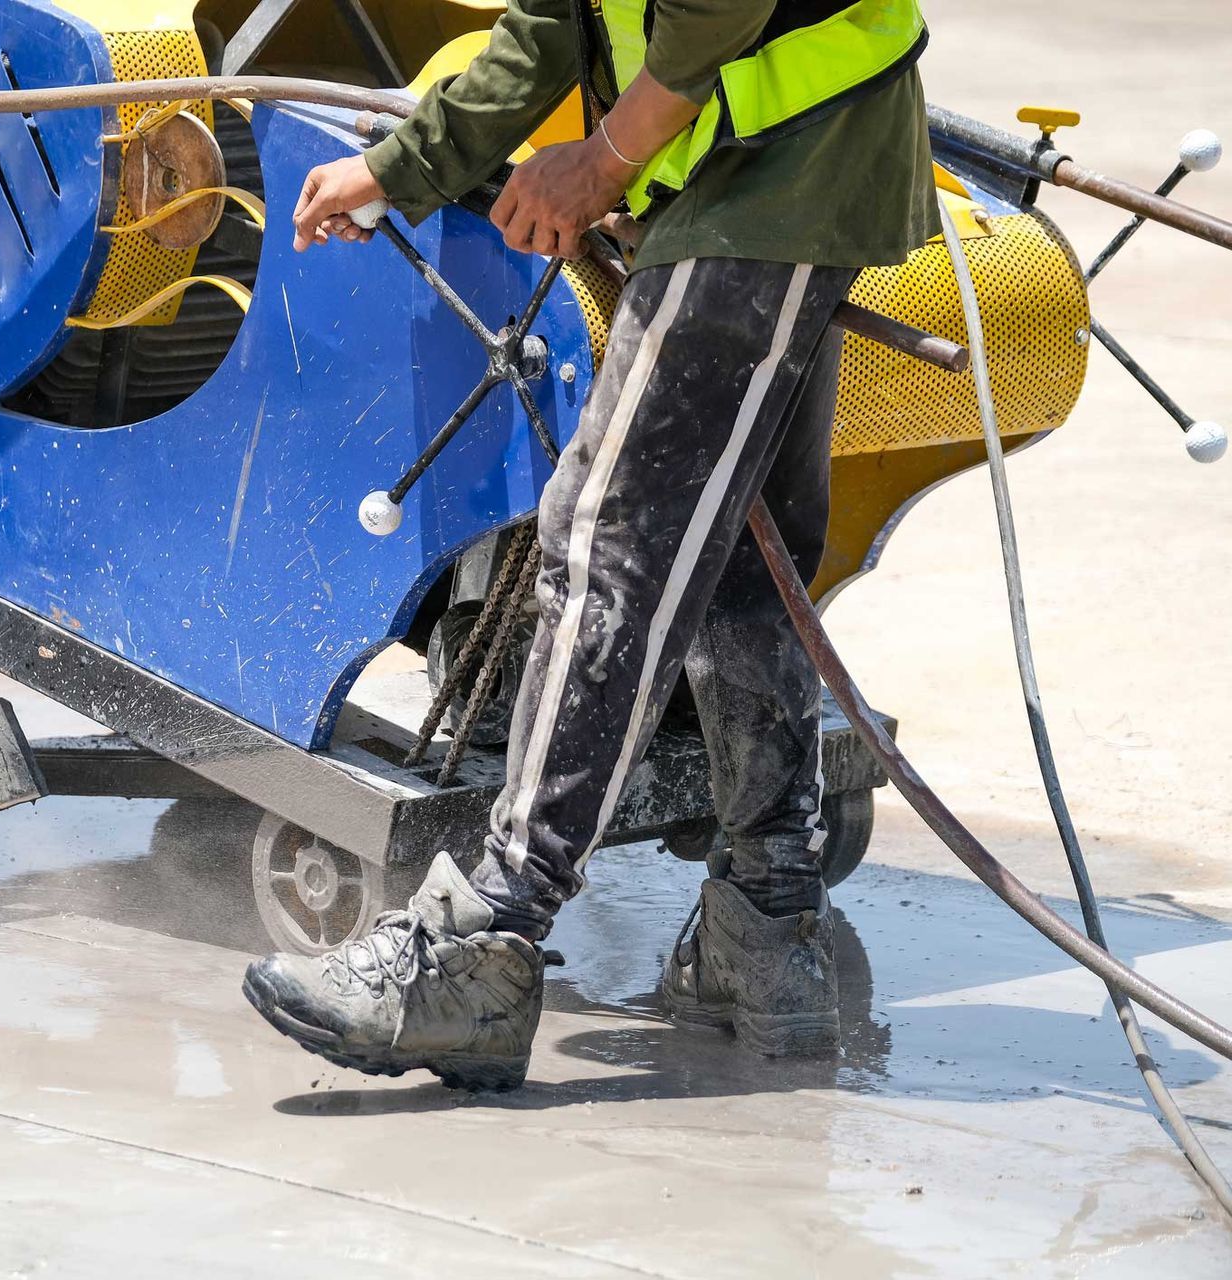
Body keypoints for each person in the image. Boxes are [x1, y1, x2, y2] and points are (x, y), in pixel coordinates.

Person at [243, 0, 941, 1090]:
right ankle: (764, 930)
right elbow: (551, 23)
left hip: (785, 176)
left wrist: (600, 162)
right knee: (738, 569)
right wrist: (399, 166)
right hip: (762, 173)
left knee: (605, 539)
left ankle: (486, 935)